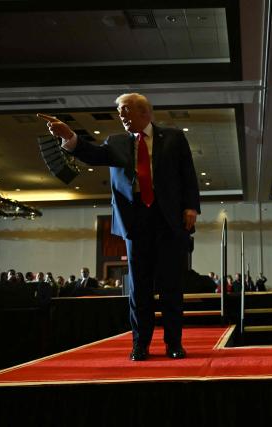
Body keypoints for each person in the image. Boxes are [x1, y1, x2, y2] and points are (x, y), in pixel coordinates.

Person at [39, 92, 200, 361]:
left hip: (168, 220)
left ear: (145, 113)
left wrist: (191, 207)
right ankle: (141, 344)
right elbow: (91, 155)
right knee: (139, 288)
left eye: (126, 110)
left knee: (171, 286)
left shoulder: (173, 138)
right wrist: (69, 136)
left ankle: (174, 344)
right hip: (135, 222)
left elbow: (188, 175)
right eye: (119, 112)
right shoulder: (115, 142)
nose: (121, 116)